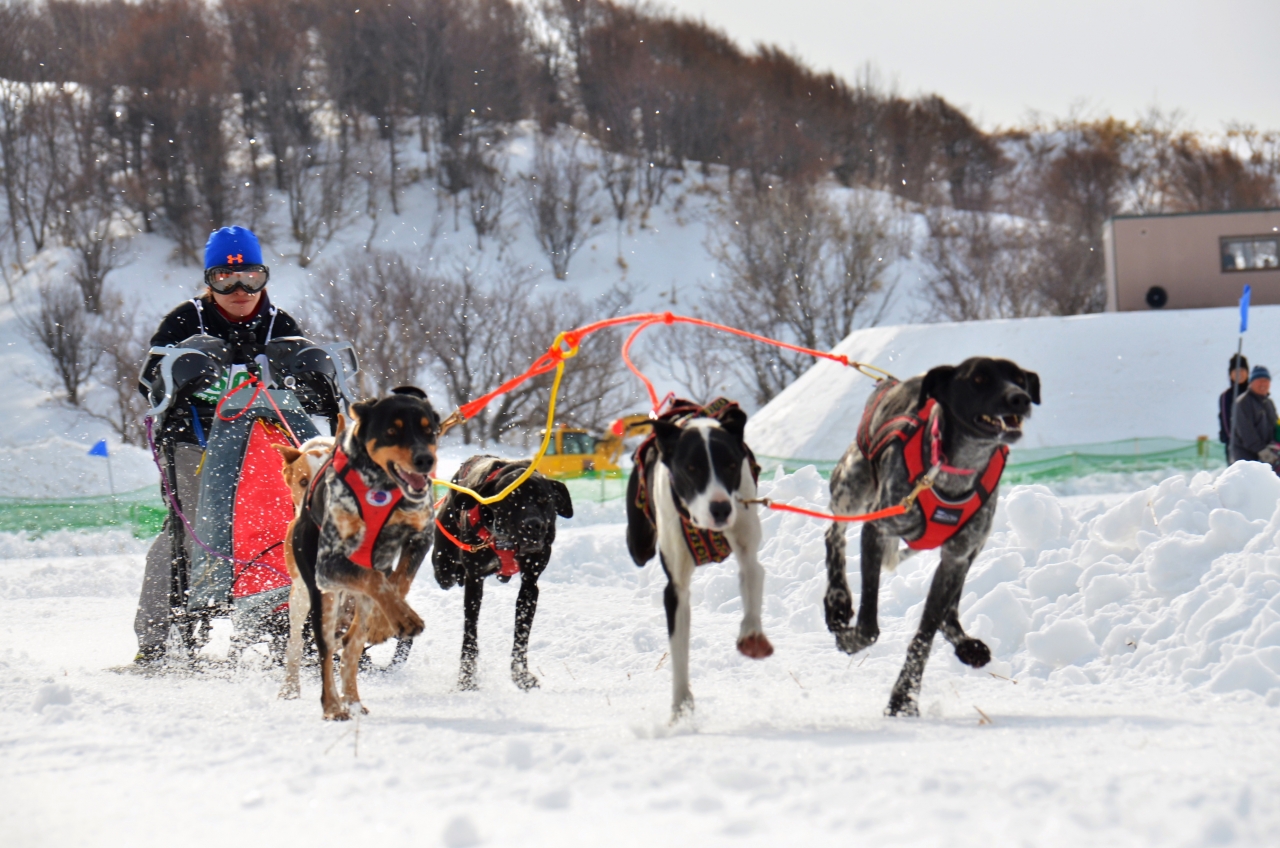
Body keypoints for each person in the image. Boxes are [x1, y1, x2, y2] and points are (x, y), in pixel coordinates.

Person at [132, 226, 304, 667]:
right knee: (190, 531)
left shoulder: (278, 324)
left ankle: (280, 619)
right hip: (196, 443)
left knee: (279, 528)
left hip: (260, 447)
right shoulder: (185, 320)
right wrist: (185, 372)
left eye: (252, 277)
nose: (241, 291)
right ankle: (159, 638)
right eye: (226, 281)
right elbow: (149, 383)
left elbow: (303, 384)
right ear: (209, 282)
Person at [1230, 365, 1279, 465]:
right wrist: (1261, 450)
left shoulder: (1269, 403)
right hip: (1246, 457)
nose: (1263, 383)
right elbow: (1245, 431)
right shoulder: (1242, 403)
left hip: (1268, 455)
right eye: (1259, 380)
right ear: (1251, 382)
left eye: (1266, 380)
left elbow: (1275, 426)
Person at [1218, 354, 1250, 462]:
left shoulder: (1254, 394)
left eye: (1242, 370)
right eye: (1235, 371)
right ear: (1230, 374)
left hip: (1257, 447)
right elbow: (1226, 422)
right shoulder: (1226, 396)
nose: (1239, 374)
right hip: (1235, 446)